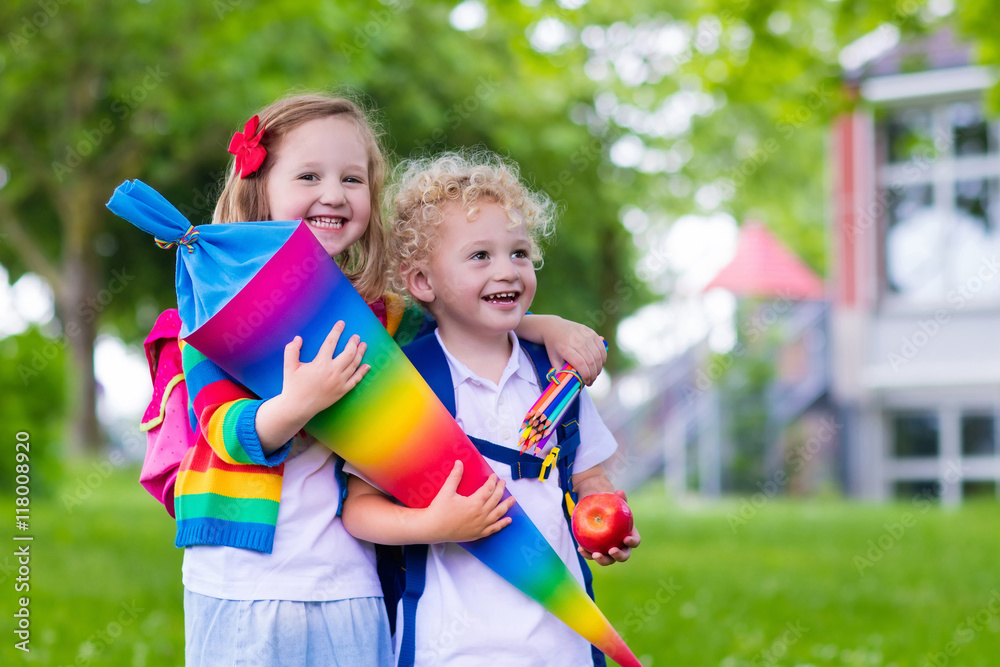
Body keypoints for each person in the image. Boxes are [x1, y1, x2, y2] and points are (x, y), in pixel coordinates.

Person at [173, 93, 609, 666]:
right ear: (259, 187)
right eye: (309, 175)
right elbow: (223, 431)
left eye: (352, 178)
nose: (334, 193)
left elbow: (459, 312)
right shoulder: (216, 307)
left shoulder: (384, 317)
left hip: (350, 575)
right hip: (242, 576)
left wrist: (543, 324)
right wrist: (298, 403)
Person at [341, 151, 641, 667]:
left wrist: (606, 516)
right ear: (422, 283)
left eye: (520, 253)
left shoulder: (558, 375)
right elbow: (358, 510)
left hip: (563, 640)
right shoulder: (404, 386)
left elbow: (589, 477)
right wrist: (434, 525)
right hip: (452, 646)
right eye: (480, 256)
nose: (507, 270)